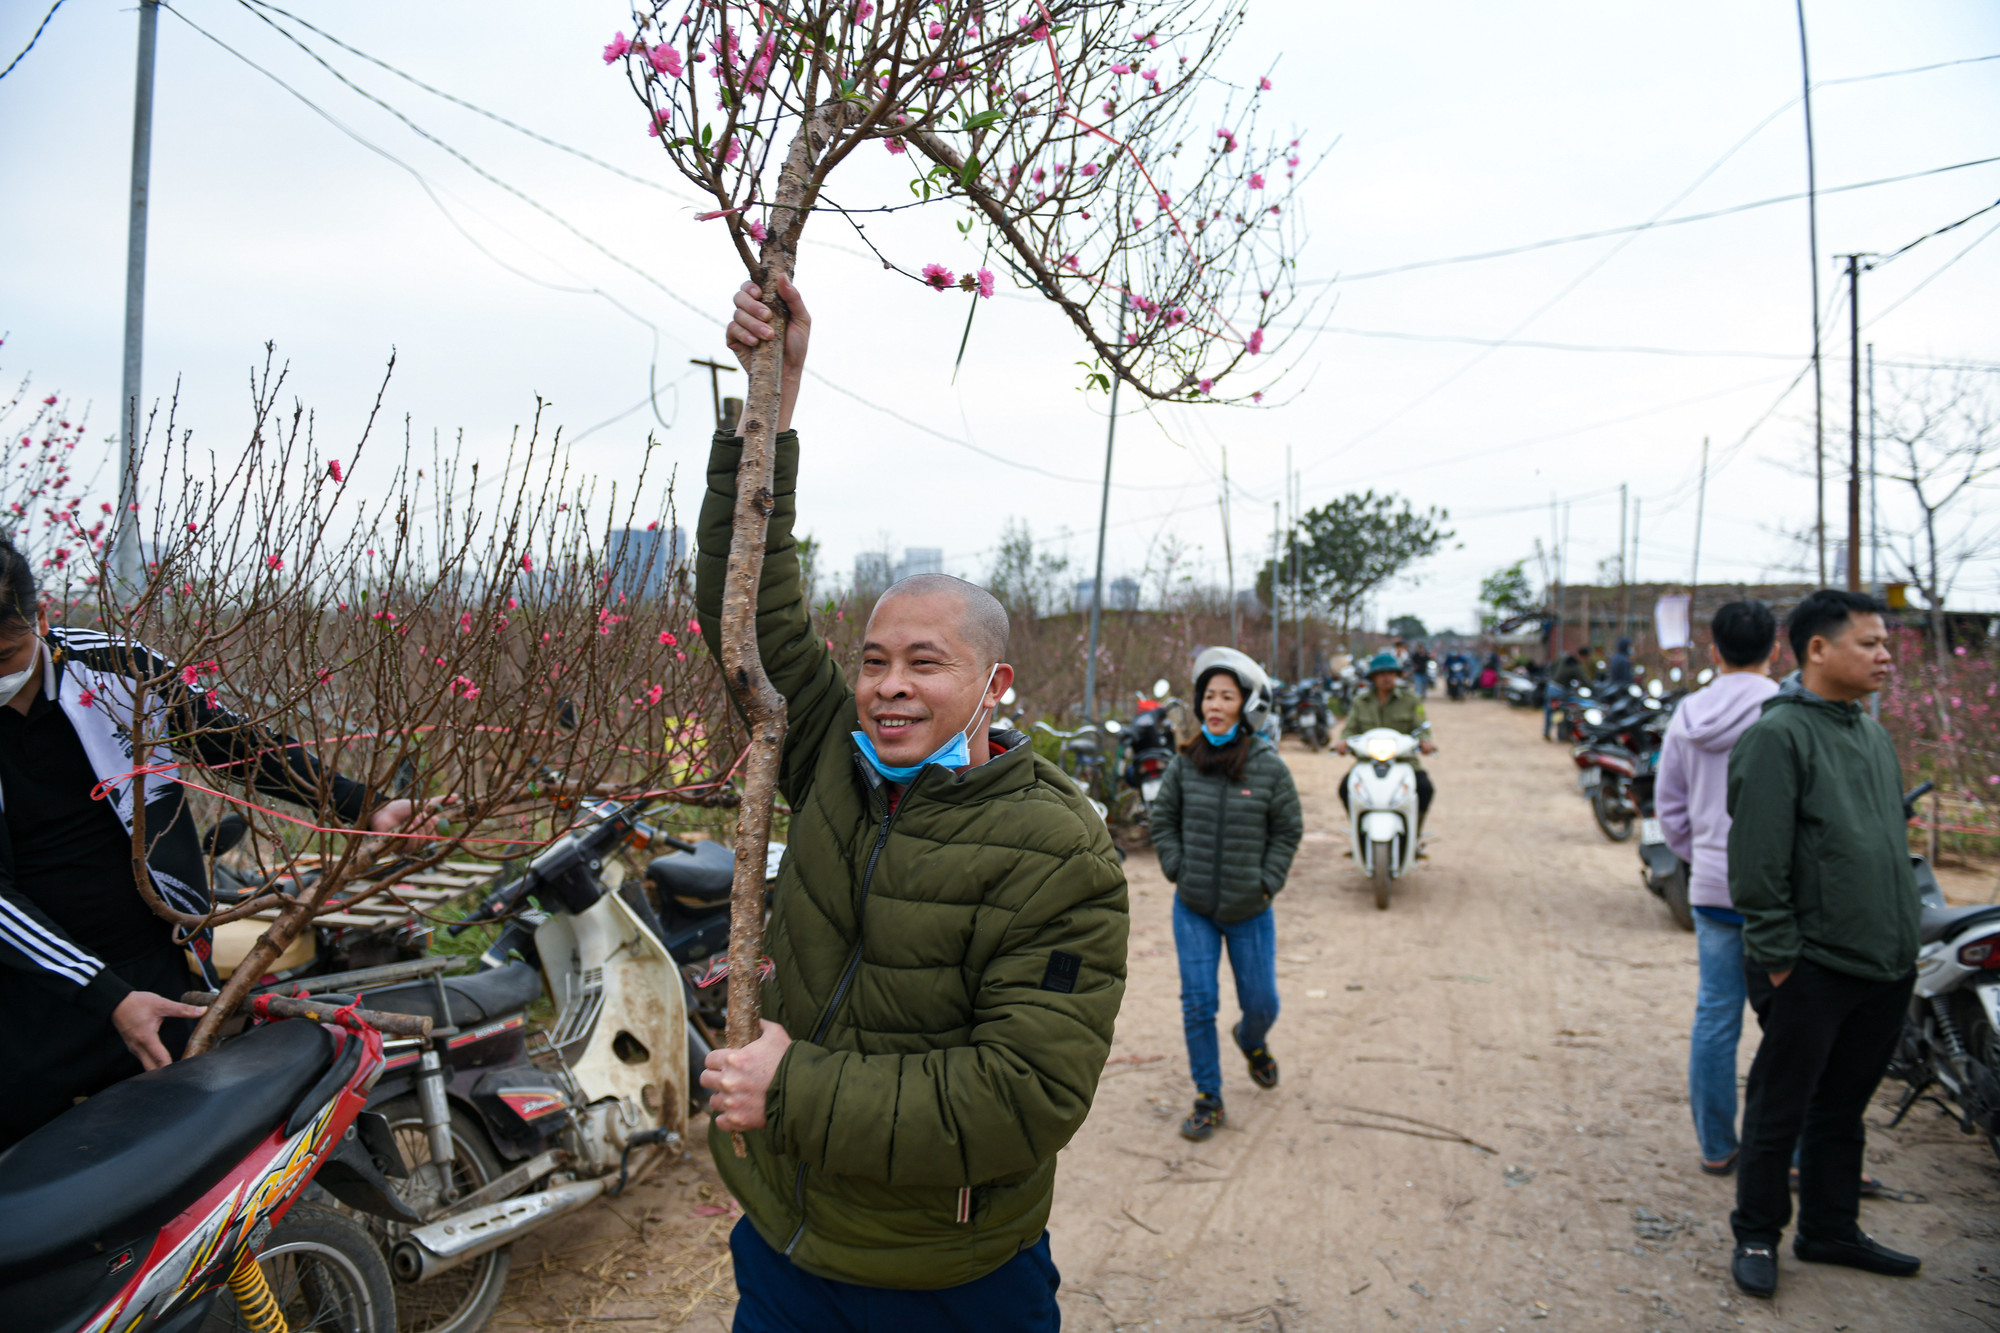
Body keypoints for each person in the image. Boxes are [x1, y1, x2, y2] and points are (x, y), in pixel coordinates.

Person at [700, 277, 1128, 1331]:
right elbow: (745, 612)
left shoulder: (1054, 846)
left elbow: (1022, 1095)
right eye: (874, 659)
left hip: (950, 1272)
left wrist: (791, 1091)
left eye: (924, 663)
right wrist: (771, 405)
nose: (888, 683)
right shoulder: (833, 769)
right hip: (786, 1243)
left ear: (994, 685)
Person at [0, 540, 433, 1146]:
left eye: (7, 654)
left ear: (41, 617)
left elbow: (231, 744)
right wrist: (107, 997)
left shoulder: (117, 670)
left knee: (171, 1157)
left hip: (160, 964)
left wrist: (361, 805)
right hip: (33, 993)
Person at [1725, 590, 1921, 1299]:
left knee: (1843, 1105)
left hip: (1882, 962)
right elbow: (1757, 862)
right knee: (1782, 1104)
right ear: (1817, 648)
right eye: (1869, 643)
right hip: (1811, 966)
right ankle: (1756, 1230)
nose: (1884, 655)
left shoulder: (1869, 733)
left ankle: (1831, 1227)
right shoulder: (1778, 736)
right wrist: (1781, 960)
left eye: (1884, 643)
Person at [1149, 647, 1302, 1143]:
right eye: (1208, 696)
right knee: (1199, 1002)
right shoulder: (1185, 763)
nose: (1214, 705)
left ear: (1246, 705)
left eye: (1226, 696)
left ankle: (1252, 1041)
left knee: (1261, 1003)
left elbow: (1288, 829)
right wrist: (1176, 866)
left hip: (1249, 910)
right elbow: (1162, 820)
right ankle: (1208, 1096)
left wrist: (1266, 881)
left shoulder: (1267, 767)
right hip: (1193, 908)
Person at [1655, 601, 1781, 1177]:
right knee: (1790, 1023)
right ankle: (1790, 1148)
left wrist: (1702, 856)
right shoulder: (1786, 709)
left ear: (1714, 649)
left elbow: (1669, 808)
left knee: (1715, 1015)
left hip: (1711, 886)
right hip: (1780, 892)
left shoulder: (1689, 712)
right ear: (1776, 648)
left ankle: (1715, 1145)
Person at [1337, 652, 1436, 829]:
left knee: (1425, 788)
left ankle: (1415, 832)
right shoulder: (1361, 701)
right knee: (1345, 788)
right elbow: (1350, 729)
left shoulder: (1411, 700)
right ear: (1373, 677)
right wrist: (1343, 742)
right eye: (1381, 674)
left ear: (1397, 675)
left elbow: (1421, 728)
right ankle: (1359, 831)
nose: (1386, 678)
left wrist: (1425, 742)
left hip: (1403, 761)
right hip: (1368, 761)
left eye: (1391, 673)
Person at [1544, 650, 1585, 741]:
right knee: (1561, 713)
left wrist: (1552, 677)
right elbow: (1584, 680)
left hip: (1551, 687)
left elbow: (1552, 667)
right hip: (1560, 691)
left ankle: (1546, 733)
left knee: (1549, 711)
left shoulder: (1562, 659)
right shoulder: (1575, 666)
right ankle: (1561, 736)